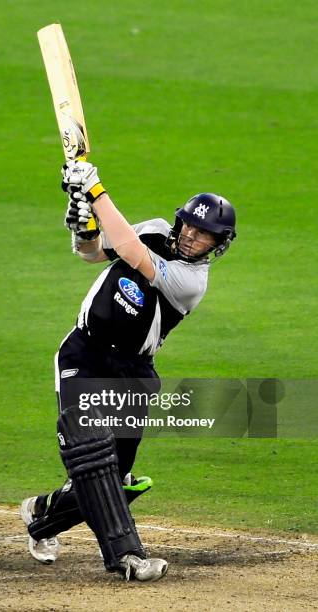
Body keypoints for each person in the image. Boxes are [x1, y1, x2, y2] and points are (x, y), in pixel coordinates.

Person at [20, 161, 237, 582]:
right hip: (85, 354)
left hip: (132, 370)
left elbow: (134, 254)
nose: (192, 235)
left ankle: (42, 515)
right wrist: (83, 227)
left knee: (113, 480)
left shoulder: (193, 280)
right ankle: (127, 558)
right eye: (190, 225)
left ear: (217, 244)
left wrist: (95, 192)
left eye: (204, 233)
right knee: (90, 454)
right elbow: (95, 251)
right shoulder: (155, 227)